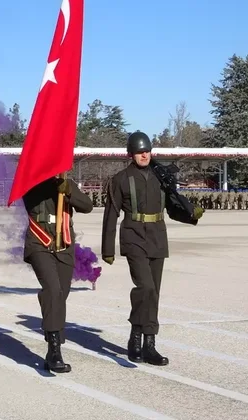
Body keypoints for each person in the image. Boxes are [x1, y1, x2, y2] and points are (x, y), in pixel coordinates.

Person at [101, 131, 202, 366]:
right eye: (139, 152)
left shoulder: (160, 176)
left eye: (147, 151)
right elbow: (111, 215)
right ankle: (135, 337)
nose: (144, 155)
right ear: (131, 154)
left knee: (154, 292)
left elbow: (172, 207)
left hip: (157, 236)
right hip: (133, 236)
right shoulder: (120, 179)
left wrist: (191, 214)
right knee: (145, 287)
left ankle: (149, 344)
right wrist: (108, 249)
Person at [22, 176, 93, 372]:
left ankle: (52, 341)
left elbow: (87, 206)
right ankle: (55, 350)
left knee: (61, 294)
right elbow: (27, 199)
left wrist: (68, 190)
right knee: (53, 290)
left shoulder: (65, 182)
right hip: (39, 242)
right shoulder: (29, 181)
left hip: (64, 244)